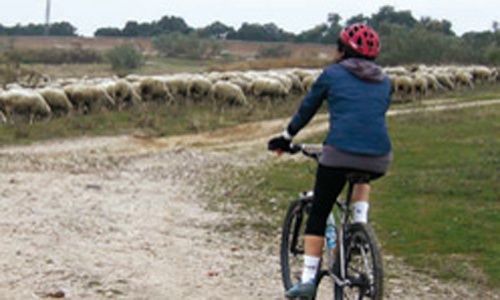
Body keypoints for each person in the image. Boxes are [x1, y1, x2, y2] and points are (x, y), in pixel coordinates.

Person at [268, 23, 393, 299]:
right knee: (362, 173)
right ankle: (360, 227)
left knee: (320, 212)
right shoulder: (386, 80)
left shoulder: (332, 74)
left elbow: (307, 109)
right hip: (380, 157)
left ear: (342, 49)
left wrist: (286, 137)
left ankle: (308, 280)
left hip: (339, 154)